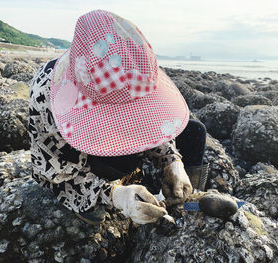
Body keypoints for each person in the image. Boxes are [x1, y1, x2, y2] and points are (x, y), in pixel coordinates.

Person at [29, 10, 210, 225]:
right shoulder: (46, 94)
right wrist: (115, 194)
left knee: (194, 131)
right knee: (121, 161)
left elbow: (156, 120)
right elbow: (52, 173)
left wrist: (172, 162)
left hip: (130, 153)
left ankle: (184, 202)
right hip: (92, 163)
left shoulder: (134, 63)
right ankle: (122, 186)